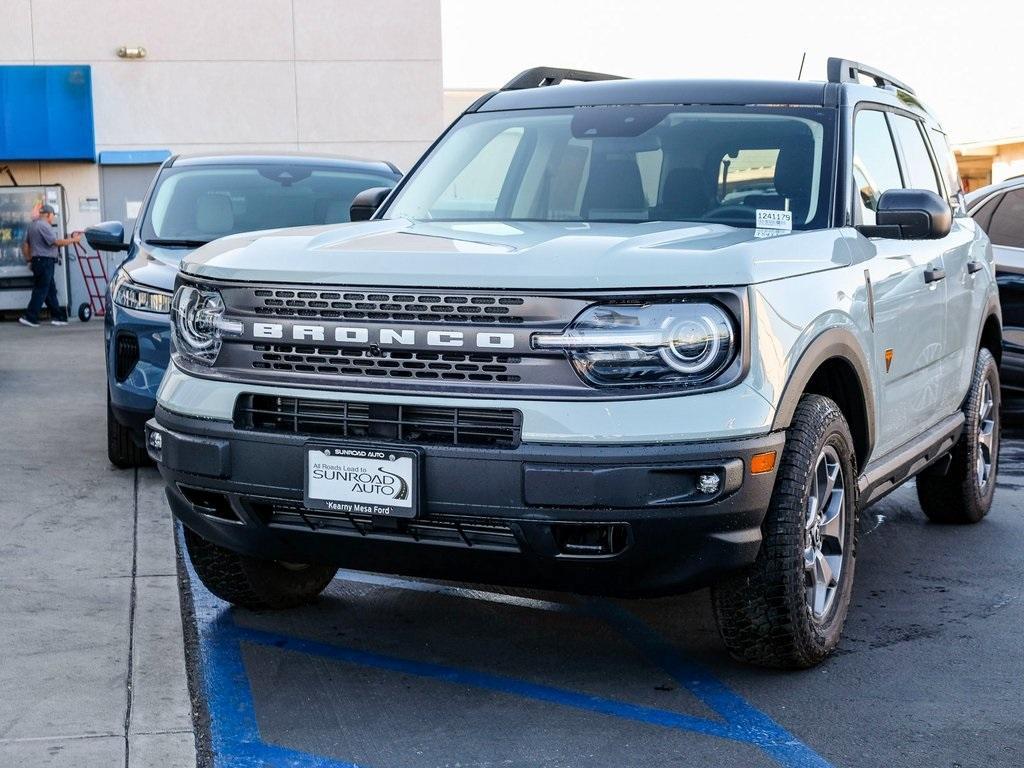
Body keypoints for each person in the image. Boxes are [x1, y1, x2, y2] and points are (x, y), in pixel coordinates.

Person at [19, 204, 81, 327]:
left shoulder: (32, 225)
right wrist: (74, 240)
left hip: (38, 261)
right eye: (52, 216)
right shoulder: (44, 226)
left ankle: (58, 317)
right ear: (47, 214)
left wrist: (29, 260)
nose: (52, 218)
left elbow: (25, 244)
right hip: (45, 261)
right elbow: (56, 242)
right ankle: (30, 317)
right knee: (41, 290)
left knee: (50, 291)